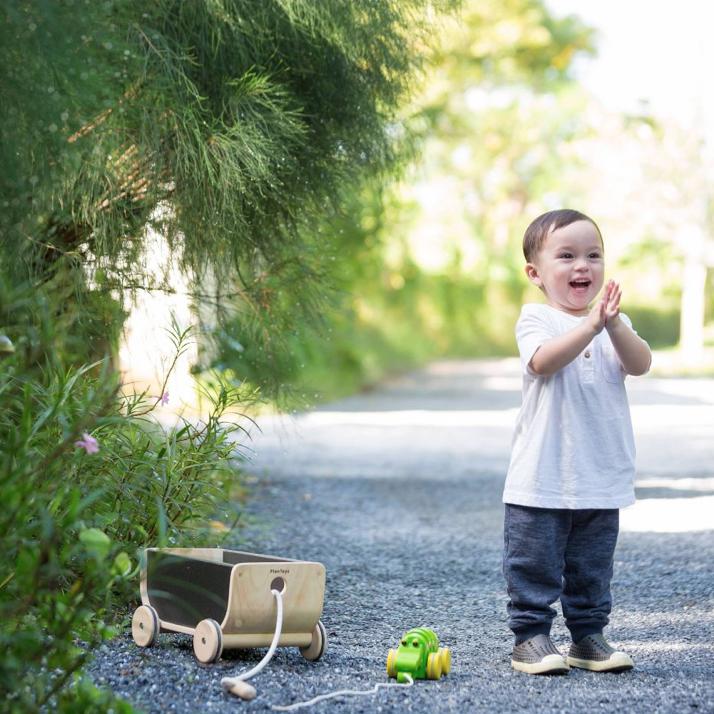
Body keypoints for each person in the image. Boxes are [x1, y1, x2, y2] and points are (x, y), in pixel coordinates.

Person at [503, 209, 652, 675]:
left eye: (593, 255)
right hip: (542, 476)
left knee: (592, 568)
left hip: (600, 475)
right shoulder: (537, 319)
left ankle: (588, 637)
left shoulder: (613, 324)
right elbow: (543, 362)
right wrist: (590, 326)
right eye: (566, 256)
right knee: (534, 564)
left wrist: (611, 325)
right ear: (536, 273)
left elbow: (641, 362)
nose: (582, 266)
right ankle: (530, 638)